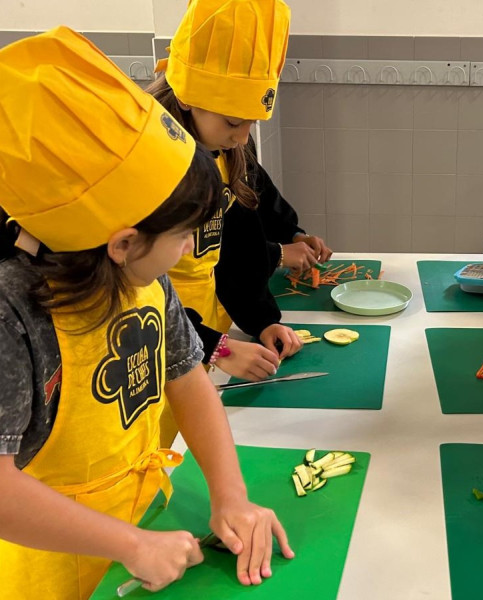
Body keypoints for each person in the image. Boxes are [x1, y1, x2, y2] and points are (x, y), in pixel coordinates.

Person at [0, 27, 293, 600]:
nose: (191, 250)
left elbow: (187, 376)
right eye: (185, 235)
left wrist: (229, 494)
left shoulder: (146, 280)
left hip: (148, 520)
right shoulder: (13, 312)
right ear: (124, 243)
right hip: (56, 564)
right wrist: (129, 545)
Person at [149, 0, 331, 386]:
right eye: (234, 122)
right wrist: (216, 346)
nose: (243, 137)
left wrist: (262, 320)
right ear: (186, 97)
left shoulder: (226, 150)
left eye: (251, 122)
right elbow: (135, 296)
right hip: (157, 346)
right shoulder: (150, 164)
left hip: (204, 337)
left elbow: (238, 246)